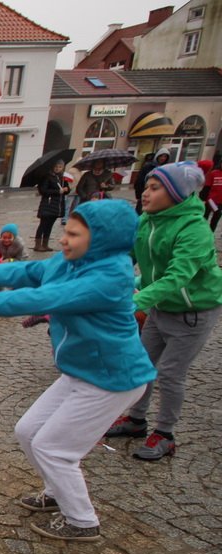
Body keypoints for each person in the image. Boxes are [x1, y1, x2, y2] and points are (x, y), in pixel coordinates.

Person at [0, 200, 156, 542]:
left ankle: (82, 521)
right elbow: (14, 273)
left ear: (102, 240)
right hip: (82, 371)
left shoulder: (106, 278)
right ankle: (56, 491)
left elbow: (31, 300)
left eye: (74, 234)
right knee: (28, 430)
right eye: (66, 231)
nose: (64, 239)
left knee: (54, 447)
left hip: (113, 378)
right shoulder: (70, 262)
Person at [104, 161, 222, 460]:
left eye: (155, 188)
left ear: (176, 193)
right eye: (146, 186)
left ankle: (165, 433)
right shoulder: (147, 220)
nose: (146, 193)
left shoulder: (195, 229)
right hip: (159, 306)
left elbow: (177, 277)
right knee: (141, 364)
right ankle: (136, 420)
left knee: (170, 373)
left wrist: (136, 300)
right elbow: (128, 254)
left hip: (192, 311)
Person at [33, 159, 68, 253]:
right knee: (43, 225)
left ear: (62, 167)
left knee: (50, 226)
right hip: (47, 204)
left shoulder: (63, 178)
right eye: (56, 166)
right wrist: (57, 191)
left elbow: (66, 190)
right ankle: (37, 244)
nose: (57, 168)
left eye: (60, 167)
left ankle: (45, 244)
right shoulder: (47, 177)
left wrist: (66, 189)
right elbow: (43, 190)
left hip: (57, 206)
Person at [201, 154, 222, 231]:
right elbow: (207, 187)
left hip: (220, 201)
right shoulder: (214, 173)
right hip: (211, 200)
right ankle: (202, 230)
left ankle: (210, 232)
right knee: (217, 213)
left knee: (214, 217)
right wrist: (203, 197)